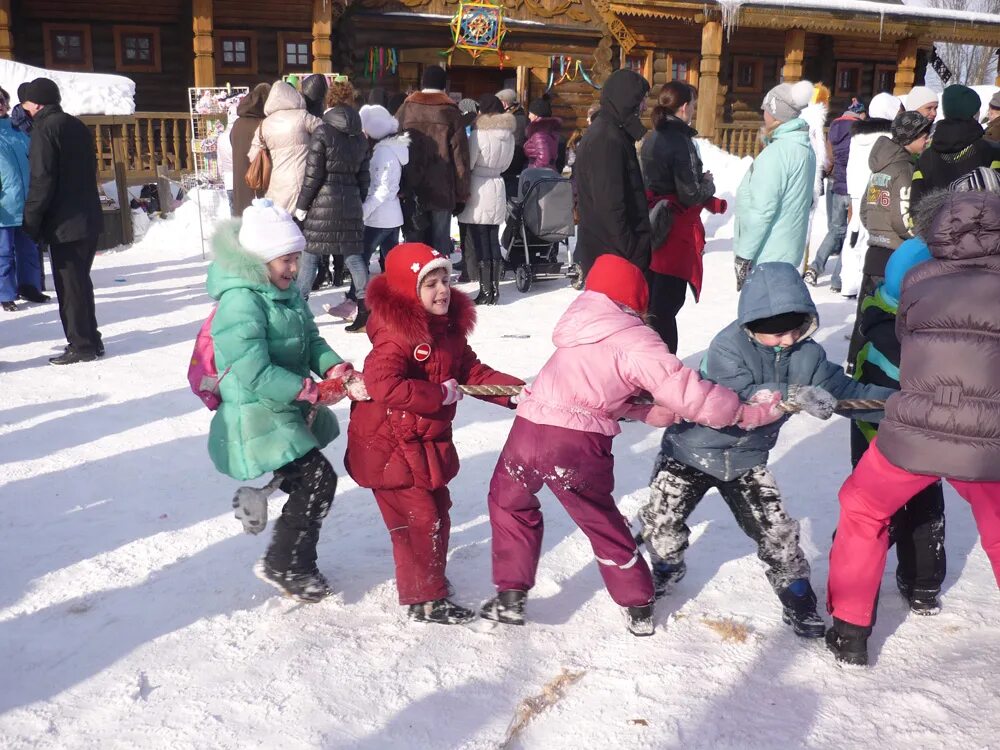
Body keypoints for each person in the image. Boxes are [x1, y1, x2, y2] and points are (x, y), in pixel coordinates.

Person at [481, 254, 784, 636]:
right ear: (637, 301)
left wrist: (642, 413)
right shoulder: (634, 338)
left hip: (526, 431)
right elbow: (687, 393)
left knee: (509, 503)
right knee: (600, 521)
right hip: (573, 445)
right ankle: (638, 600)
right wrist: (742, 412)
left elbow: (586, 389)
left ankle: (510, 593)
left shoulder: (575, 329)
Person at [638, 262, 894, 638]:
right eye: (776, 333)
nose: (788, 339)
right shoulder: (727, 347)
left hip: (746, 462)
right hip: (689, 452)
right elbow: (734, 401)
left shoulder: (808, 357)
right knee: (662, 522)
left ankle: (797, 595)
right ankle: (664, 567)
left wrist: (899, 405)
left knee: (777, 531)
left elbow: (846, 393)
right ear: (751, 324)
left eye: (795, 328)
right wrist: (793, 396)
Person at [826, 189, 1000, 667]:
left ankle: (850, 630)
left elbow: (904, 336)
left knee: (862, 509)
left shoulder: (919, 279)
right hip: (990, 441)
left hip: (916, 425)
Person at [345, 242, 523, 624]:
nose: (443, 289)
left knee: (435, 512)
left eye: (446, 279)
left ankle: (426, 582)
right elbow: (382, 384)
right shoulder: (396, 336)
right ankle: (424, 598)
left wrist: (515, 393)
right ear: (409, 291)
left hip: (419, 444)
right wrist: (437, 394)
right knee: (421, 519)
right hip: (388, 446)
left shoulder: (446, 331)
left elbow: (472, 372)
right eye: (430, 284)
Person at [207, 199, 363, 603]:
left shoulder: (286, 291)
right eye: (286, 260)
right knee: (318, 479)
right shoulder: (240, 301)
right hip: (256, 413)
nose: (294, 269)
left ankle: (293, 556)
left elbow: (311, 340)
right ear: (260, 260)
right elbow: (252, 370)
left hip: (284, 406)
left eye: (296, 259)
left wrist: (333, 368)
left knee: (307, 480)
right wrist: (303, 389)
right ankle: (285, 563)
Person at [851, 236, 945, 616]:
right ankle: (923, 585)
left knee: (868, 510)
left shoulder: (874, 314)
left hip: (871, 432)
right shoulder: (935, 332)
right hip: (923, 436)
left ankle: (858, 591)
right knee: (924, 506)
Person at [19, 78, 103, 365]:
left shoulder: (44, 129)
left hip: (64, 222)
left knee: (69, 286)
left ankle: (81, 345)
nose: (24, 108)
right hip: (87, 215)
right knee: (80, 281)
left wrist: (31, 219)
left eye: (27, 102)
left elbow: (42, 180)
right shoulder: (75, 125)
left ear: (38, 102)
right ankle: (92, 339)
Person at [640, 81, 726, 353]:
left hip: (654, 221)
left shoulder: (653, 136)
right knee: (666, 305)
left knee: (654, 302)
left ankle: (648, 363)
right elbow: (690, 193)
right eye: (695, 106)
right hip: (674, 228)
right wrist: (708, 183)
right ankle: (662, 367)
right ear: (686, 107)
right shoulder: (680, 140)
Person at [845, 111, 931, 373]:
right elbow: (903, 217)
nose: (927, 140)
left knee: (866, 312)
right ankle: (877, 366)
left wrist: (876, 230)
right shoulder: (904, 170)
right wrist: (920, 238)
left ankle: (855, 361)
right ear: (911, 137)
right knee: (883, 315)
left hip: (874, 250)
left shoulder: (879, 168)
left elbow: (864, 210)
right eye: (924, 136)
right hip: (894, 253)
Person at [293, 80, 370, 317]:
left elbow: (313, 174)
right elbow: (364, 177)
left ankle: (297, 309)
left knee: (310, 257)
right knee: (354, 258)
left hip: (322, 204)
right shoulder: (360, 136)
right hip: (351, 202)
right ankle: (366, 308)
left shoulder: (323, 131)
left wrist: (302, 205)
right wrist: (359, 200)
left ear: (330, 102)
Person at [732, 80, 816, 289]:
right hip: (785, 251)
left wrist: (744, 255)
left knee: (763, 316)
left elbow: (762, 210)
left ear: (776, 113)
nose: (763, 114)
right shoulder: (802, 147)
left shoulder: (778, 153)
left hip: (767, 254)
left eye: (766, 109)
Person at [574, 68, 651, 276]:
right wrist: (631, 252)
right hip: (612, 258)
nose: (644, 107)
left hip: (612, 254)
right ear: (627, 98)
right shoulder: (606, 139)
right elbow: (610, 206)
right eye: (641, 100)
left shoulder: (614, 132)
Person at [394, 66, 470, 258]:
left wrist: (397, 184)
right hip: (442, 189)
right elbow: (460, 157)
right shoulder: (451, 112)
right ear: (444, 85)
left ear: (423, 83)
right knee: (439, 244)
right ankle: (439, 284)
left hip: (411, 187)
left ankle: (415, 284)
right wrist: (461, 194)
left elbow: (393, 146)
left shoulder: (406, 108)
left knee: (414, 243)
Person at [841, 92, 902, 300]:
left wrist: (851, 194)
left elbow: (851, 165)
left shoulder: (857, 136)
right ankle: (862, 286)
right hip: (877, 190)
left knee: (853, 236)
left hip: (857, 191)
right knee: (872, 238)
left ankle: (848, 282)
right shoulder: (890, 138)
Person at [458, 94, 515, 306]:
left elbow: (469, 162)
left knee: (480, 238)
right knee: (492, 238)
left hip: (479, 186)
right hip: (497, 184)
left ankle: (485, 291)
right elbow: (508, 164)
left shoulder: (479, 133)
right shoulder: (508, 135)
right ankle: (494, 289)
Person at [804, 99, 866, 291]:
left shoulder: (834, 128)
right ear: (859, 113)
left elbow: (829, 160)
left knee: (835, 230)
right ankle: (837, 279)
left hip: (837, 186)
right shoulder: (859, 130)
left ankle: (815, 267)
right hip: (854, 188)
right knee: (849, 234)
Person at [910, 85, 1000, 212]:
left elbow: (915, 208)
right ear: (974, 112)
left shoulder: (926, 157)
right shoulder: (990, 152)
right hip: (980, 228)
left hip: (936, 229)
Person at [0, 86, 47, 312]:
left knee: (29, 249)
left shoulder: (18, 129)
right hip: (4, 206)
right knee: (3, 252)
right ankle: (5, 293)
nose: (1, 106)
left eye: (2, 101)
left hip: (28, 202)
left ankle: (29, 287)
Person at [249, 80, 323, 215]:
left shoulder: (264, 124)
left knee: (282, 221)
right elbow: (324, 131)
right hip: (301, 179)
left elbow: (252, 155)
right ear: (293, 96)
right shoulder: (302, 116)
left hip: (275, 182)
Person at [359, 103, 408, 289]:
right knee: (391, 261)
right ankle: (397, 292)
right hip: (391, 214)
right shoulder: (392, 149)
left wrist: (364, 211)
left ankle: (356, 297)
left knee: (361, 258)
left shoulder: (383, 153)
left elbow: (382, 188)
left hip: (379, 217)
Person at [230, 82, 270, 217]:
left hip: (240, 179)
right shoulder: (265, 124)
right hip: (260, 182)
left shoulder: (237, 124)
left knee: (243, 218)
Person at [496, 88, 528, 199]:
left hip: (510, 169)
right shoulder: (522, 117)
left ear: (504, 103)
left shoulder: (512, 120)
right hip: (518, 168)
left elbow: (516, 146)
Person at [523, 95, 561, 171]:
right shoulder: (550, 130)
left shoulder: (539, 133)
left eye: (530, 113)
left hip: (539, 175)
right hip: (549, 171)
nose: (529, 116)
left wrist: (532, 171)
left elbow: (544, 159)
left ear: (536, 115)